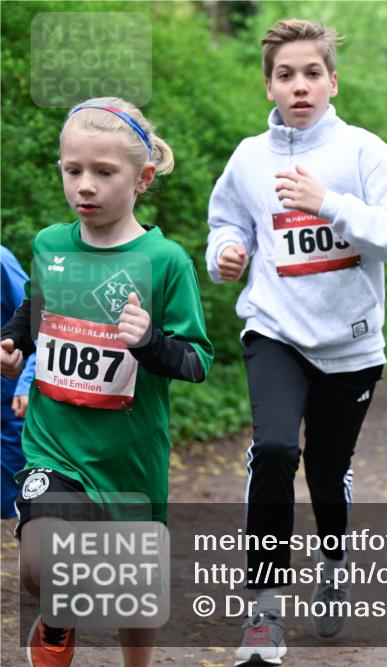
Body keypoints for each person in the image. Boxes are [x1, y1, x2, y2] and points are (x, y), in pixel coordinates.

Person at [204, 18, 387, 665]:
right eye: (284, 75)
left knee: (326, 471)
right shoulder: (249, 158)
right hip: (274, 328)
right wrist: (227, 249)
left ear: (333, 81)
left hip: (351, 344)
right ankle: (263, 611)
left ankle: (333, 557)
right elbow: (226, 218)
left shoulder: (363, 153)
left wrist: (329, 202)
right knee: (274, 449)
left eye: (311, 73)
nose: (298, 85)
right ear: (268, 85)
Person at [0, 97, 214, 667]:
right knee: (41, 566)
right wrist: (14, 345)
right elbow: (35, 310)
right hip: (55, 447)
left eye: (103, 172)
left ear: (142, 178)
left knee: (133, 600)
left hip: (130, 460)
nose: (84, 186)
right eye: (73, 171)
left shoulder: (164, 261)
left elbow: (196, 361)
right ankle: (58, 615)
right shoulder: (51, 244)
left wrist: (149, 343)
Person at [1, 246, 35, 519]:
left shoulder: (2, 262)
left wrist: (26, 383)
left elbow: (39, 326)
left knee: (10, 505)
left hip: (8, 410)